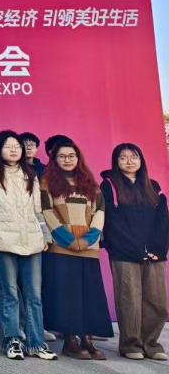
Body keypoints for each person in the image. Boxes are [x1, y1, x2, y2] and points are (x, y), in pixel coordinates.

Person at [0, 130, 56, 361]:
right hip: (2, 241)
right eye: (8, 146)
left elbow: (38, 210)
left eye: (17, 146)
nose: (13, 150)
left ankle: (36, 342)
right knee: (9, 293)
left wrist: (45, 235)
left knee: (34, 294)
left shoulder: (30, 176)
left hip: (32, 240)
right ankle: (12, 340)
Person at [40, 139, 113, 359]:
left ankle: (88, 339)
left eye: (71, 156)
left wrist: (88, 239)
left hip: (88, 247)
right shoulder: (46, 183)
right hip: (62, 247)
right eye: (62, 156)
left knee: (90, 295)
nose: (67, 160)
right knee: (67, 294)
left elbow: (100, 213)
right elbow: (47, 213)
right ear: (54, 159)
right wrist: (69, 240)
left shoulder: (91, 184)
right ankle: (70, 341)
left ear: (78, 158)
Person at [100, 143, 168, 361]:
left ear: (141, 160)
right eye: (123, 157)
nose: (129, 161)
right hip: (124, 253)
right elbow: (112, 221)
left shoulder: (153, 186)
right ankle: (131, 344)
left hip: (154, 254)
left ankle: (151, 344)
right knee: (129, 299)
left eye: (134, 157)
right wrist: (133, 248)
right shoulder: (109, 186)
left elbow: (163, 220)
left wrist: (158, 249)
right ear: (116, 161)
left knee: (157, 300)